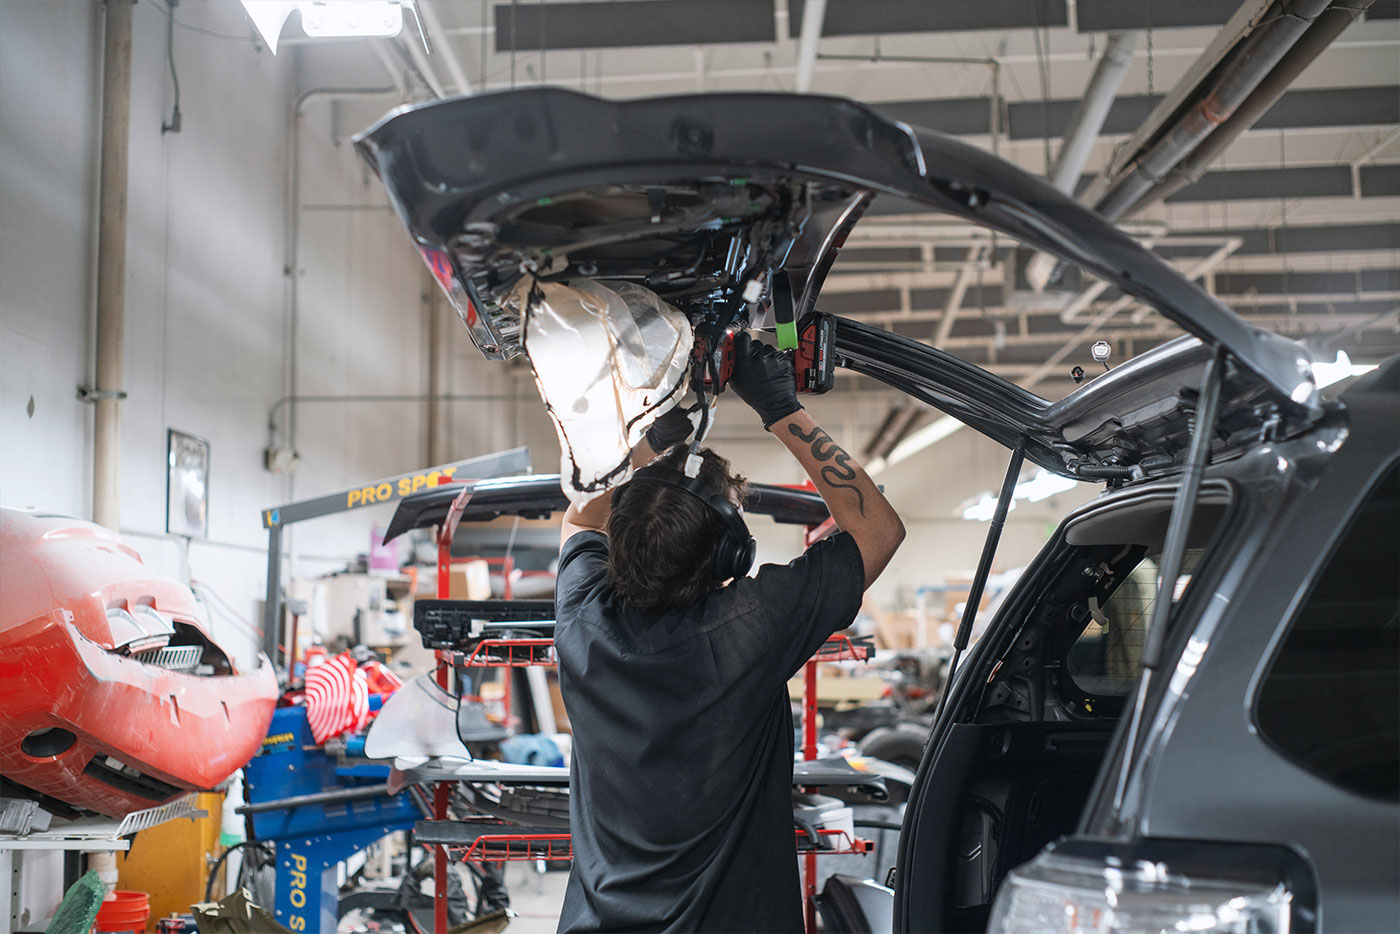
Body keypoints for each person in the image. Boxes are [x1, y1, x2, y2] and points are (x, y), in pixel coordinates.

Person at [553, 332, 905, 933]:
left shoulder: (584, 616)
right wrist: (780, 409)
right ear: (731, 558)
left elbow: (579, 511)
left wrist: (648, 441)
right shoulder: (750, 627)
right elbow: (878, 531)